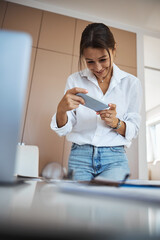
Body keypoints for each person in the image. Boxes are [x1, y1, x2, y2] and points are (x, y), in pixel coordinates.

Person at [50, 23, 142, 181]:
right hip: (80, 157)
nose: (98, 67)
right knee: (78, 206)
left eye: (103, 59)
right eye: (90, 61)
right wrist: (61, 111)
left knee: (110, 205)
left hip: (115, 159)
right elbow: (64, 129)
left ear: (114, 50)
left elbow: (134, 129)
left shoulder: (131, 83)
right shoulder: (74, 80)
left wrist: (115, 122)